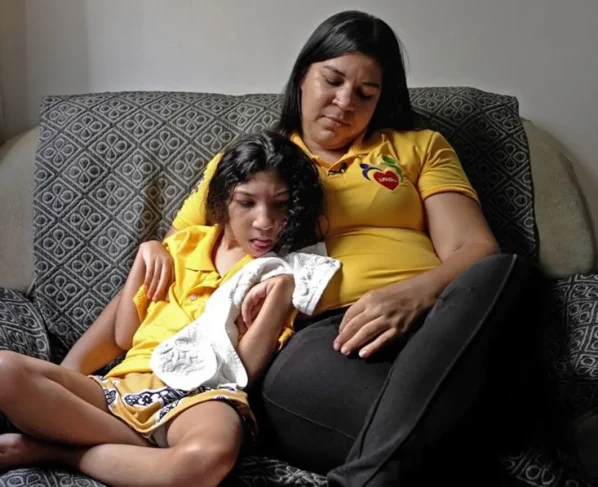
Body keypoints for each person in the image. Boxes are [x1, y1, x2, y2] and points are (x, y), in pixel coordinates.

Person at [53, 9, 529, 486]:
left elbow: (474, 248)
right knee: (446, 434)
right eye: (333, 81)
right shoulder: (252, 166)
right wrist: (67, 378)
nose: (345, 102)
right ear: (302, 77)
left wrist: (413, 296)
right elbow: (170, 268)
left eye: (366, 93)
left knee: (505, 271)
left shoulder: (419, 147)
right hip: (317, 342)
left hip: (434, 324)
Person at [0, 131, 326, 487]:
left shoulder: (280, 272)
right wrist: (143, 256)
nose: (265, 221)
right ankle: (141, 454)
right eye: (246, 203)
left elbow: (242, 369)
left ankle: (59, 451)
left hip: (199, 399)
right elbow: (125, 335)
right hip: (123, 386)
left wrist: (282, 292)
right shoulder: (181, 246)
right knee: (4, 369)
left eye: (280, 205)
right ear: (223, 200)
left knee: (207, 459)